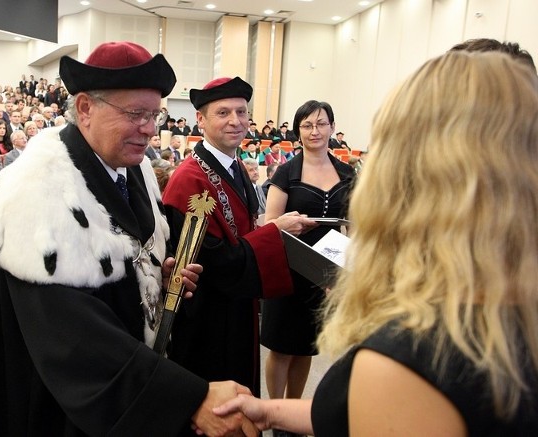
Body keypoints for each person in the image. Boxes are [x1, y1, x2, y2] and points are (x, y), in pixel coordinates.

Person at [214, 50, 538, 436]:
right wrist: (270, 412)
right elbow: (348, 412)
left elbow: (377, 408)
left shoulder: (412, 356)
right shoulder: (505, 309)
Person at [0, 41, 256, 437]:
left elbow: (122, 261)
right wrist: (188, 397)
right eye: (136, 114)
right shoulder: (36, 193)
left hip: (124, 381)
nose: (151, 129)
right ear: (85, 108)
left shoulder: (130, 166)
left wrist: (158, 276)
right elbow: (73, 337)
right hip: (66, 401)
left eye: (155, 115)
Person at [162, 76, 316, 404]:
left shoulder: (236, 167)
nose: (235, 121)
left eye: (242, 112)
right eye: (223, 113)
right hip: (208, 318)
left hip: (238, 305)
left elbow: (242, 234)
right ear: (200, 120)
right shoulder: (190, 180)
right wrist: (275, 232)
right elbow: (211, 262)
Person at [261, 101, 355, 435]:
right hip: (289, 266)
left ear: (332, 127)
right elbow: (270, 222)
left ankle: (294, 414)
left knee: (305, 347)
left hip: (325, 273)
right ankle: (275, 412)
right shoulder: (286, 172)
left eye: (321, 124)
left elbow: (354, 226)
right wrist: (290, 224)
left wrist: (345, 271)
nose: (314, 132)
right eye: (306, 125)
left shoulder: (347, 173)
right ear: (297, 130)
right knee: (281, 347)